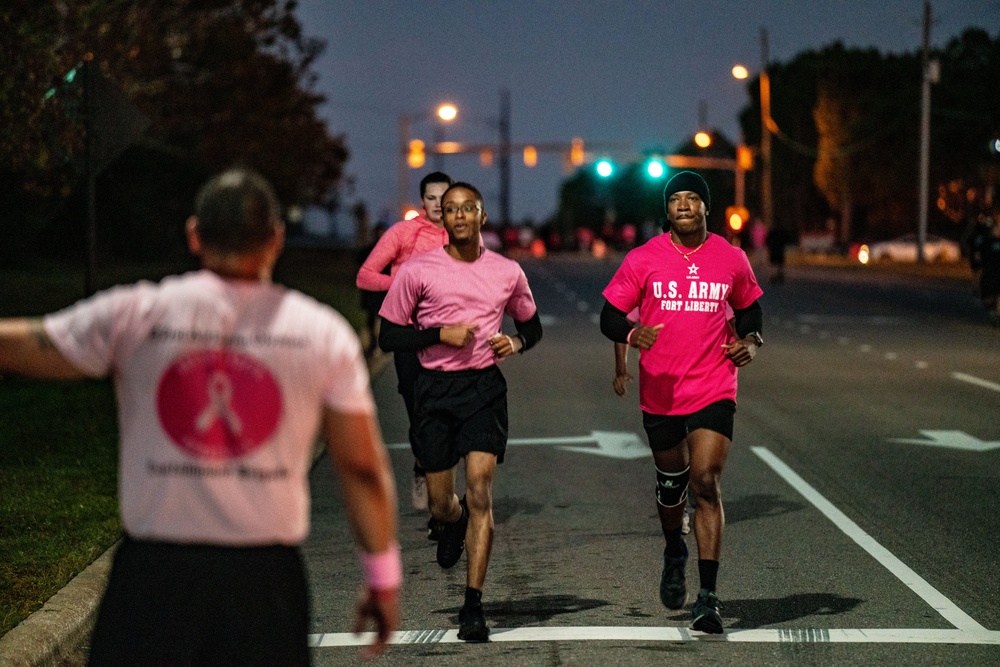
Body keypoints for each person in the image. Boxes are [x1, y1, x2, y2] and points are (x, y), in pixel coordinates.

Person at [0, 168, 401, 664]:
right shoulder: (321, 333)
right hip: (263, 583)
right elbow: (361, 468)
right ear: (276, 238)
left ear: (195, 235)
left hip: (152, 577)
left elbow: (24, 345)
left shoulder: (135, 313)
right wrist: (382, 576)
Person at [600, 171, 764, 634]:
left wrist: (751, 342)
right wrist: (632, 335)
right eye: (677, 200)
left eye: (694, 198)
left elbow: (751, 310)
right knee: (671, 485)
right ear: (667, 210)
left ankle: (708, 596)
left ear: (707, 207)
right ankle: (675, 548)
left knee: (705, 481)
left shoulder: (731, 259)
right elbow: (609, 316)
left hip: (714, 385)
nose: (685, 205)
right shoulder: (643, 259)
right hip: (662, 390)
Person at [377, 182, 542, 641]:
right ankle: (453, 521)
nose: (460, 215)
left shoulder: (507, 272)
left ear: (482, 216)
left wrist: (517, 341)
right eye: (451, 210)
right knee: (441, 503)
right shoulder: (417, 270)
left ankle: (474, 605)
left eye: (468, 208)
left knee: (481, 490)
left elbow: (532, 325)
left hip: (484, 389)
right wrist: (436, 335)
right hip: (435, 390)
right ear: (443, 220)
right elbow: (389, 336)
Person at [356, 171, 453, 514]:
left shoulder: (463, 235)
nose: (438, 205)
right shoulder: (402, 233)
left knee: (446, 413)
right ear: (423, 200)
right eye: (431, 198)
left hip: (450, 338)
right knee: (418, 410)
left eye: (445, 197)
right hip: (409, 335)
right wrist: (399, 282)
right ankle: (422, 467)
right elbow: (365, 276)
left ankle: (442, 491)